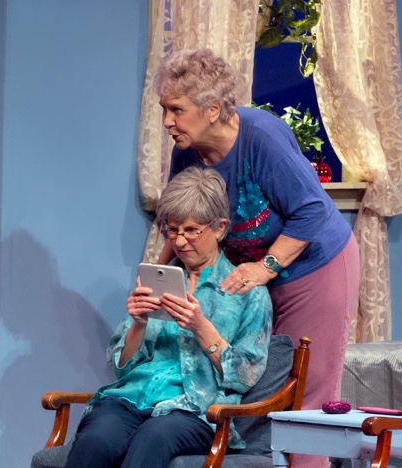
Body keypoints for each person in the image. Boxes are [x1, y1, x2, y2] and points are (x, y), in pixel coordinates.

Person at [154, 48, 360, 452]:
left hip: (313, 266)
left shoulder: (261, 137)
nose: (167, 122)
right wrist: (158, 277)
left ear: (212, 109)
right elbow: (181, 219)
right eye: (164, 109)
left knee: (303, 394)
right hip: (250, 273)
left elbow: (312, 210)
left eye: (176, 109)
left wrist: (265, 267)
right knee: (252, 386)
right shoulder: (186, 153)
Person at [65, 166, 272, 468]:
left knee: (153, 437)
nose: (180, 241)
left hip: (196, 410)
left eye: (191, 230)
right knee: (97, 438)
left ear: (219, 227)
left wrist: (202, 328)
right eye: (172, 230)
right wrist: (138, 323)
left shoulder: (247, 294)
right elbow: (121, 367)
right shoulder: (158, 280)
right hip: (132, 398)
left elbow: (245, 377)